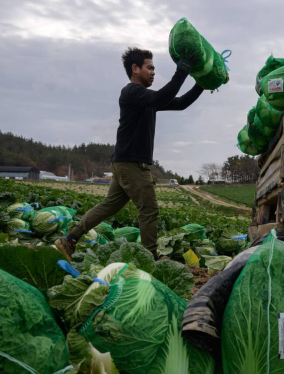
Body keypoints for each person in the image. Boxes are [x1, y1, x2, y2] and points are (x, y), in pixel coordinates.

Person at [54, 46, 204, 262]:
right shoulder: (131, 92)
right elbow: (163, 96)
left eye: (154, 68)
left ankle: (69, 240)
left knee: (108, 206)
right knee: (149, 209)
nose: (153, 72)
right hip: (132, 164)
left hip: (124, 162)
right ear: (135, 69)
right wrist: (182, 71)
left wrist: (200, 85)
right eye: (149, 67)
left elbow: (179, 103)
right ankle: (150, 258)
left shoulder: (147, 98)